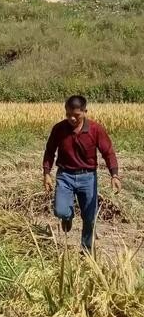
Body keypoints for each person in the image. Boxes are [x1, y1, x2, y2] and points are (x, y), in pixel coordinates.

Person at [43, 95, 121, 251]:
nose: (71, 118)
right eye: (68, 114)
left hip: (88, 177)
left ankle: (86, 251)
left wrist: (114, 175)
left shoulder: (95, 129)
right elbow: (50, 151)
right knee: (61, 211)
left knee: (90, 218)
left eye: (76, 115)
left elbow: (108, 152)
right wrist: (46, 173)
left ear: (85, 111)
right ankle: (68, 217)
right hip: (65, 176)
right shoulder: (59, 129)